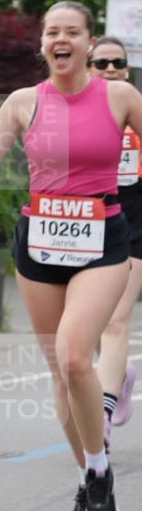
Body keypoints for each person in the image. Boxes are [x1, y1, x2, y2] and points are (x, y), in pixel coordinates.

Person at [0, 1, 142, 511]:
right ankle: (89, 472)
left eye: (72, 32)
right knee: (60, 372)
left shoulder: (120, 97)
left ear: (90, 45)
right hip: (40, 242)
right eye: (53, 32)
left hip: (101, 239)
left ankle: (97, 468)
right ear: (43, 44)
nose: (61, 39)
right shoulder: (23, 103)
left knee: (75, 357)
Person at [90, 37, 141, 449]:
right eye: (101, 62)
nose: (110, 69)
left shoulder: (135, 108)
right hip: (89, 223)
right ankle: (119, 374)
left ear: (127, 67)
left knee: (115, 320)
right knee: (89, 325)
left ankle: (102, 416)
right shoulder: (71, 112)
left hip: (136, 222)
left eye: (118, 63)